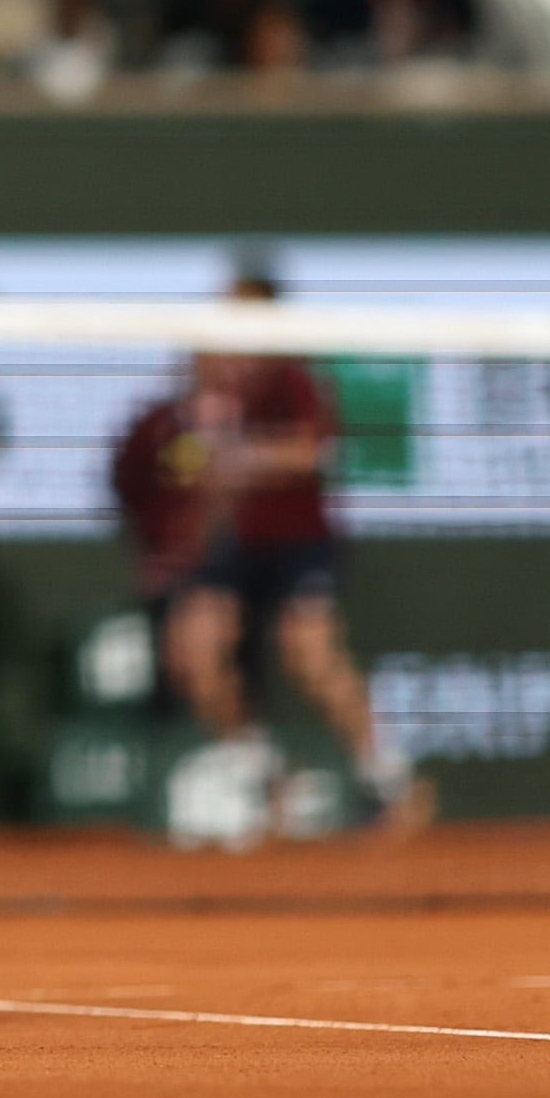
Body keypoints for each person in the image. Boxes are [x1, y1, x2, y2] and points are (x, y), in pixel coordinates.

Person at [142, 262, 430, 834]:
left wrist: (245, 458)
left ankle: (389, 782)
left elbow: (312, 451)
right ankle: (268, 780)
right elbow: (191, 467)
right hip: (235, 542)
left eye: (242, 308)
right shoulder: (203, 381)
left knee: (313, 655)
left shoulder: (292, 377)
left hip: (299, 538)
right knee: (195, 650)